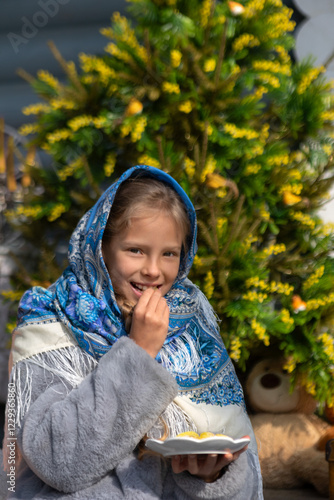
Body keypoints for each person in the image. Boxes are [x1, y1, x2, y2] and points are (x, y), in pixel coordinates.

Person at [3, 165, 263, 499]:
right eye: (135, 250)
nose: (154, 270)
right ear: (100, 247)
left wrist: (212, 475)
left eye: (169, 253)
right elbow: (58, 463)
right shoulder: (52, 323)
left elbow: (246, 470)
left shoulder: (192, 323)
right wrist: (139, 351)